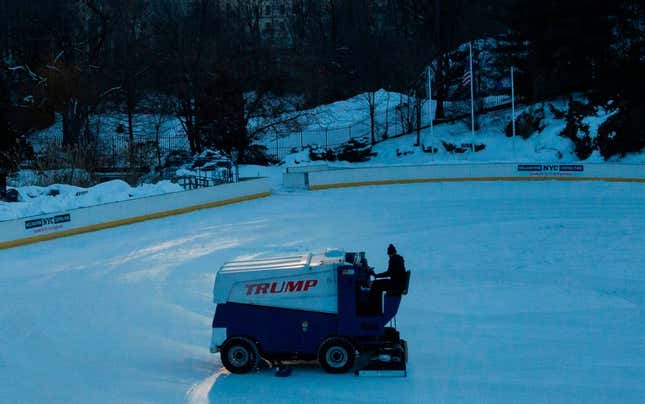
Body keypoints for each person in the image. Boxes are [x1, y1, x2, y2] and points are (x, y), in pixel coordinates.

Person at [368, 244, 406, 314]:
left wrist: (377, 276)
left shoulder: (393, 259)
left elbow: (389, 273)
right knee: (377, 284)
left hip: (395, 284)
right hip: (398, 283)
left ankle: (373, 307)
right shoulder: (399, 259)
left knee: (376, 284)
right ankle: (375, 308)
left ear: (390, 253)